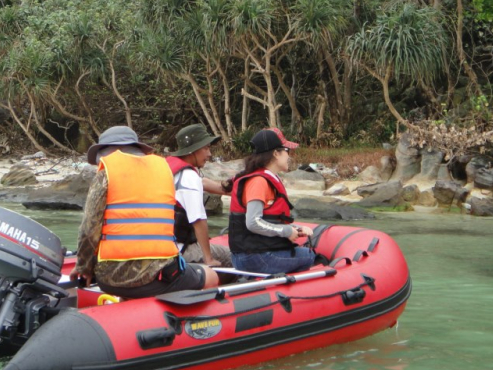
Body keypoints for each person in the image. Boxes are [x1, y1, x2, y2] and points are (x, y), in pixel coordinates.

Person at [69, 126, 219, 299]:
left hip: (110, 278)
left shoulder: (105, 174)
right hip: (159, 275)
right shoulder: (163, 170)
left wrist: (83, 267)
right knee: (211, 276)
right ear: (138, 149)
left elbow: (89, 230)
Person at [227, 127, 315, 274]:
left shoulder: (262, 177)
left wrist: (295, 228)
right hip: (254, 257)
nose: (289, 156)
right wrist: (287, 231)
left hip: (252, 255)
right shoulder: (259, 182)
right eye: (287, 151)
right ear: (276, 153)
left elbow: (270, 220)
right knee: (309, 256)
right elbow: (253, 222)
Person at [166, 124, 233, 269]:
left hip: (163, 246)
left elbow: (201, 182)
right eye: (206, 148)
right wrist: (208, 259)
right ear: (192, 151)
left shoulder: (171, 169)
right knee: (232, 256)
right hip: (181, 251)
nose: (209, 154)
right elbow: (198, 219)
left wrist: (229, 191)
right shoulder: (188, 176)